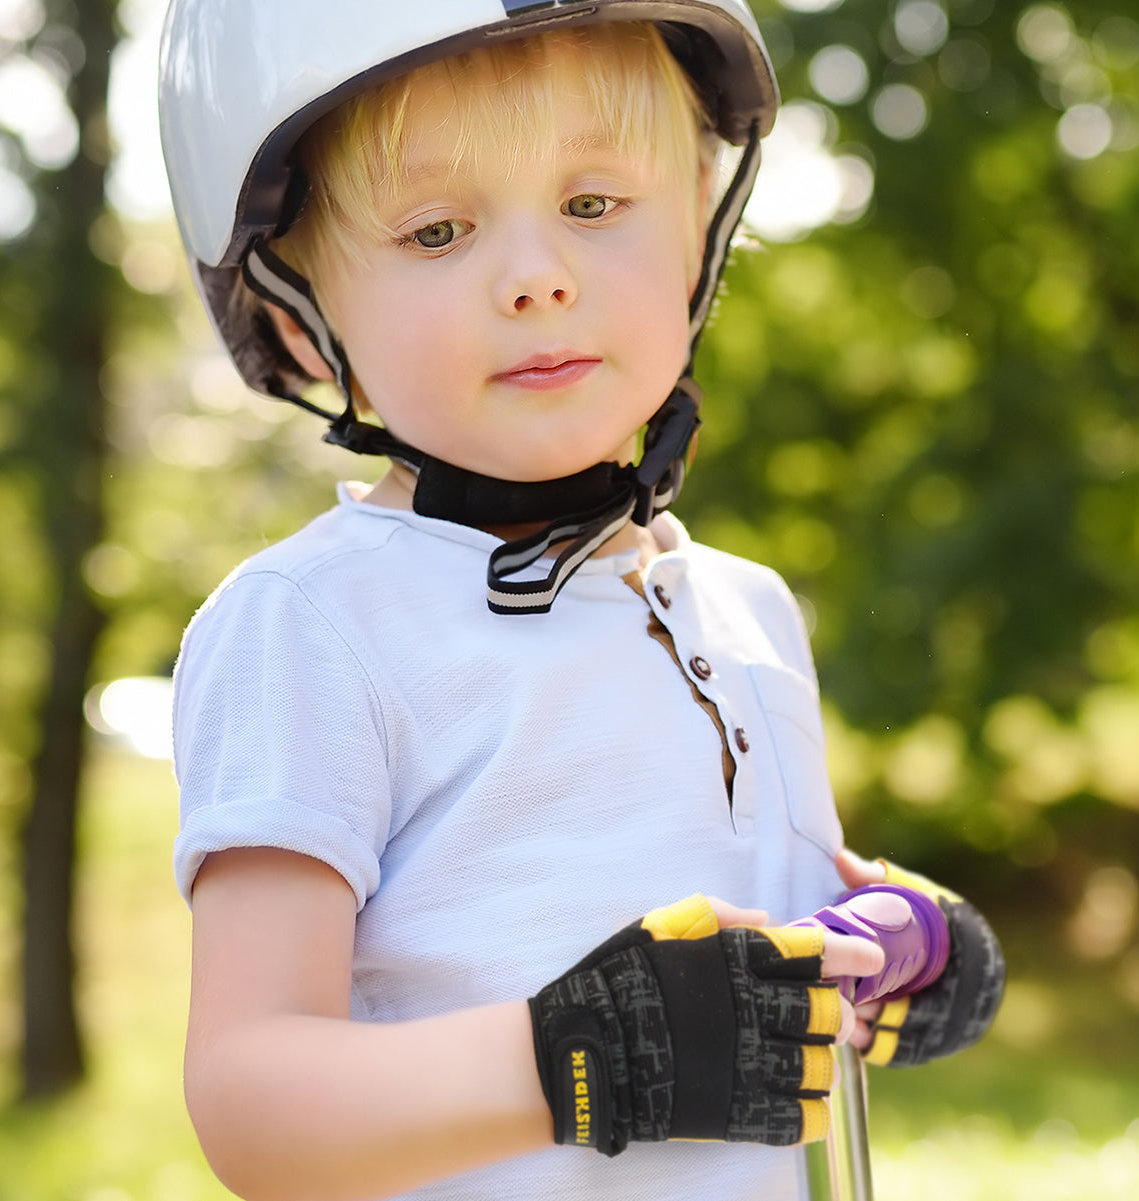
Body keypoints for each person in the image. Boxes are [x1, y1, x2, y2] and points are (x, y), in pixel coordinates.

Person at [157, 2, 1005, 1199]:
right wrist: (577, 1054)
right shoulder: (310, 624)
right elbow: (253, 1103)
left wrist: (891, 947)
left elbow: (736, 973)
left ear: (700, 222)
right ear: (297, 313)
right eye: (437, 230)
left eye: (593, 205)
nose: (537, 279)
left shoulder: (748, 608)